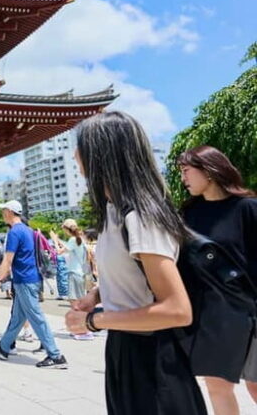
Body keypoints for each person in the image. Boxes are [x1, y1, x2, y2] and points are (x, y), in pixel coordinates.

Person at [64, 111, 206, 415]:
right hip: (126, 346)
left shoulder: (140, 217)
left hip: (151, 356)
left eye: (83, 146)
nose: (75, 154)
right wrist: (97, 295)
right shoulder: (113, 213)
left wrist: (93, 321)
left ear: (104, 154)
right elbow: (134, 272)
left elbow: (177, 310)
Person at [178, 145, 257, 414]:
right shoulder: (188, 214)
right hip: (212, 313)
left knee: (255, 386)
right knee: (216, 385)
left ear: (208, 170)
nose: (183, 178)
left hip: (250, 310)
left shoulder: (247, 208)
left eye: (186, 170)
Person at [0, 200, 67, 369]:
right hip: (30, 278)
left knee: (36, 317)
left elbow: (8, 259)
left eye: (4, 210)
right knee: (18, 317)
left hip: (24, 280)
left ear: (10, 212)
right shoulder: (27, 230)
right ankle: (4, 346)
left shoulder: (14, 232)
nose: (2, 213)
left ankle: (55, 355)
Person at [52, 220, 93, 341]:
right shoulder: (79, 239)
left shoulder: (73, 240)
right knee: (79, 302)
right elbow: (67, 248)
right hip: (81, 273)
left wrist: (54, 240)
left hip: (74, 273)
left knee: (75, 303)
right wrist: (58, 240)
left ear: (66, 229)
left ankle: (83, 331)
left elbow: (59, 251)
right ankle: (82, 329)